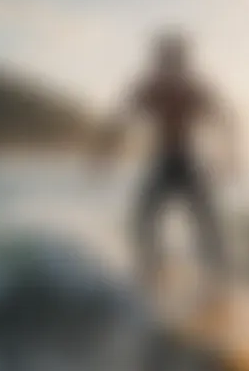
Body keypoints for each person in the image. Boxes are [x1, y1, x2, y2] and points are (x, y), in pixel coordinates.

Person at [93, 29, 240, 290]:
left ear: (180, 60)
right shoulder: (150, 88)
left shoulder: (192, 89)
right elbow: (120, 119)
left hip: (185, 162)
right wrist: (104, 154)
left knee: (204, 221)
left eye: (173, 58)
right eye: (165, 58)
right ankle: (150, 268)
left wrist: (230, 156)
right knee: (144, 219)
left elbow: (226, 118)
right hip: (164, 162)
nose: (169, 64)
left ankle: (218, 275)